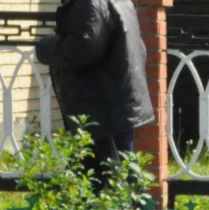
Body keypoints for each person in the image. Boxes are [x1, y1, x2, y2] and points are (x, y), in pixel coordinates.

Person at [35, 0, 154, 183]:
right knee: (102, 179)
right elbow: (141, 48)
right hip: (111, 105)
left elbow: (83, 48)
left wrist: (46, 48)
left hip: (103, 109)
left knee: (114, 180)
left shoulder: (89, 3)